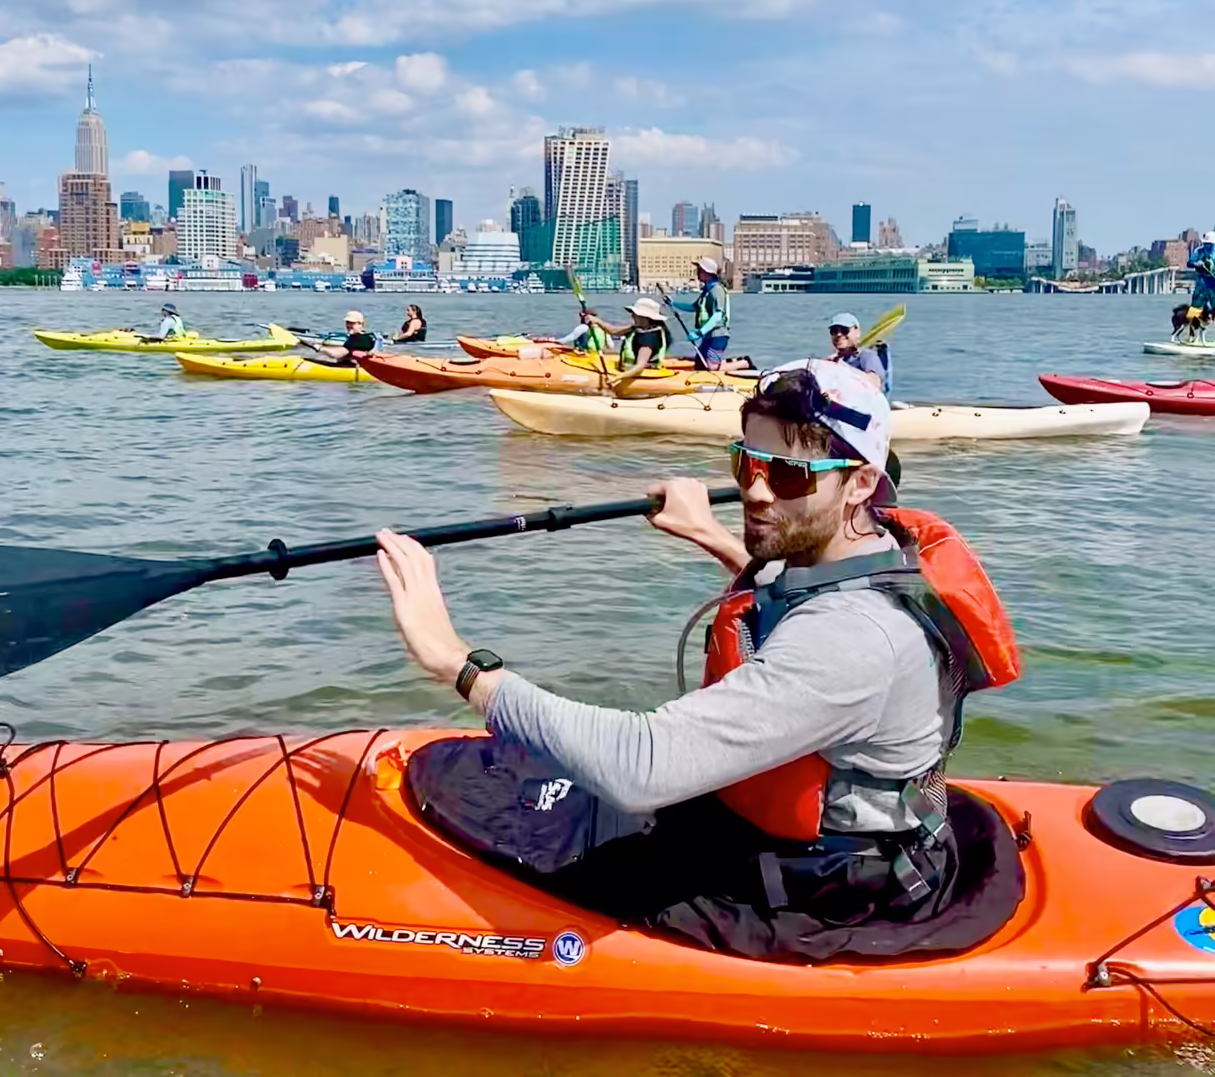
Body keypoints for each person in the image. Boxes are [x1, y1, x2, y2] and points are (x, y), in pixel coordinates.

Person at [374, 360, 1019, 956]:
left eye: (790, 474)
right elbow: (803, 608)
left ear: (860, 483)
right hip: (803, 839)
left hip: (822, 891)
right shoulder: (879, 549)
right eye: (747, 464)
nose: (758, 493)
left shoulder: (855, 641)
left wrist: (457, 663)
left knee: (531, 823)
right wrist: (711, 535)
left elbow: (641, 769)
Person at [586, 297, 670, 387]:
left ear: (645, 317)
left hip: (641, 375)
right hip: (628, 371)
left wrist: (616, 378)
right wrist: (597, 321)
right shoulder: (639, 328)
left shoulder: (649, 338)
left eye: (634, 314)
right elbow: (614, 331)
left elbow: (640, 366)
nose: (632, 315)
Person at [669, 257, 731, 368]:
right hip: (708, 336)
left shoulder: (716, 289)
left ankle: (744, 362)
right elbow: (694, 307)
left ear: (707, 272)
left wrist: (700, 332)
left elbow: (718, 315)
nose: (697, 273)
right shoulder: (707, 290)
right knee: (700, 364)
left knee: (711, 366)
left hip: (718, 335)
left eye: (699, 270)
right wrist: (673, 304)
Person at [828, 312, 889, 391]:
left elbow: (875, 384)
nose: (838, 335)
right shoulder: (834, 360)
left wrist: (843, 368)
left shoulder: (867, 356)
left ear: (857, 332)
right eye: (834, 331)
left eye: (845, 330)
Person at [303, 310, 378, 366]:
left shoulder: (357, 339)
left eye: (352, 323)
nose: (348, 325)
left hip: (354, 368)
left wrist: (319, 348)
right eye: (347, 322)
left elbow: (337, 354)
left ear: (361, 324)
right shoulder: (367, 337)